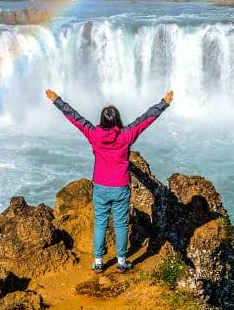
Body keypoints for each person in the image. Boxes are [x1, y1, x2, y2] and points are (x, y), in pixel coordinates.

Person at [45, 88, 174, 273]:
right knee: (121, 224)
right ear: (117, 120)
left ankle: (98, 262)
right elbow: (145, 119)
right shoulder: (125, 135)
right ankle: (121, 262)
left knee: (100, 223)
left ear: (102, 120)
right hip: (120, 186)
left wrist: (56, 100)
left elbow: (75, 117)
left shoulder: (94, 134)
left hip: (101, 186)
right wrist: (164, 103)